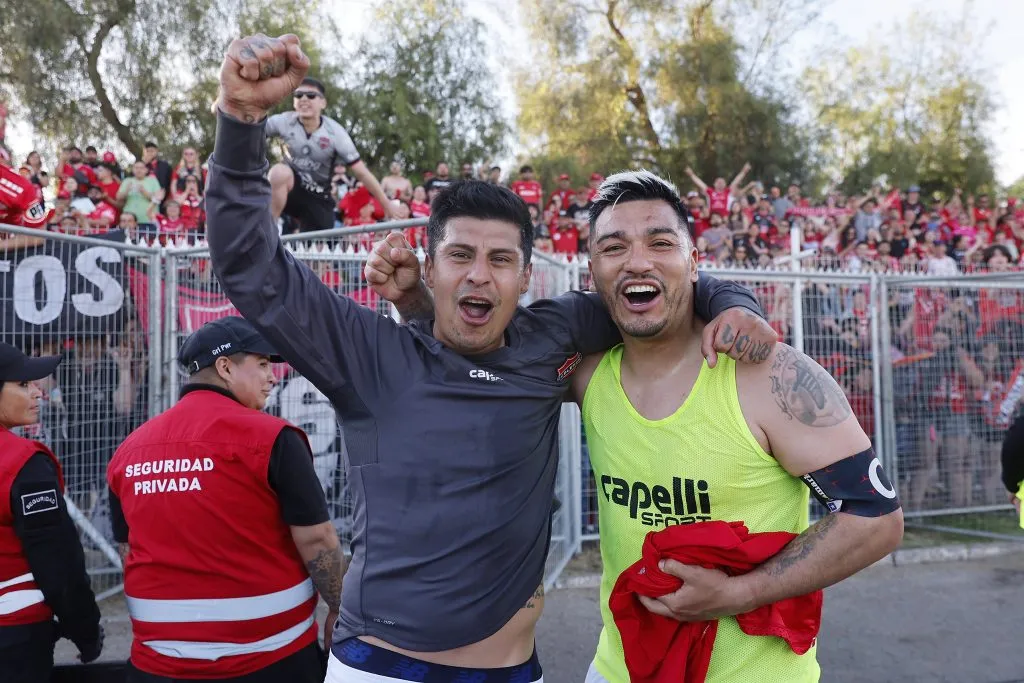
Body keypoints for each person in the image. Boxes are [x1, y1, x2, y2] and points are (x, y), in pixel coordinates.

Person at [206, 33, 778, 683]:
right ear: (430, 265)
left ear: (528, 275)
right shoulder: (368, 353)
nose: (480, 275)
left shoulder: (552, 333)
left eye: (500, 259)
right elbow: (249, 262)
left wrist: (737, 300)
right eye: (460, 256)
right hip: (381, 669)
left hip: (517, 670)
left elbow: (653, 294)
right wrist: (241, 119)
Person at [566, 171, 903, 683]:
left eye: (661, 242)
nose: (638, 261)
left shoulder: (770, 374)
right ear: (593, 271)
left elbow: (876, 518)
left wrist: (738, 594)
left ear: (694, 262)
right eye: (614, 247)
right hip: (617, 669)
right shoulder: (585, 374)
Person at [107, 317, 344, 682]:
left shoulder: (129, 450)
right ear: (225, 367)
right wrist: (339, 609)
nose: (273, 377)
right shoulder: (273, 437)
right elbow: (317, 538)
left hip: (156, 664)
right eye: (263, 364)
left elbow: (128, 549)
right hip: (270, 660)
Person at [0, 342, 103, 682]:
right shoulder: (22, 463)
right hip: (14, 637)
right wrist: (85, 630)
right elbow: (59, 563)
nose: (39, 394)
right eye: (24, 384)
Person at [266, 76, 392, 231]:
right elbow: (249, 130)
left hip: (319, 197)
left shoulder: (336, 133)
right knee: (278, 172)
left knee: (319, 251)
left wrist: (387, 205)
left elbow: (362, 173)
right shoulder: (283, 121)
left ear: (323, 103)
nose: (304, 99)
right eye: (298, 95)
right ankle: (268, 234)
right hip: (291, 191)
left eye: (311, 95)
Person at [684, 162, 751, 218]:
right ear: (714, 184)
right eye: (718, 182)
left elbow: (735, 181)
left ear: (725, 184)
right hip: (712, 219)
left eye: (722, 182)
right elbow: (700, 184)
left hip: (725, 220)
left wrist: (744, 172)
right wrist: (691, 175)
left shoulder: (727, 192)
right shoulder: (710, 192)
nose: (720, 183)